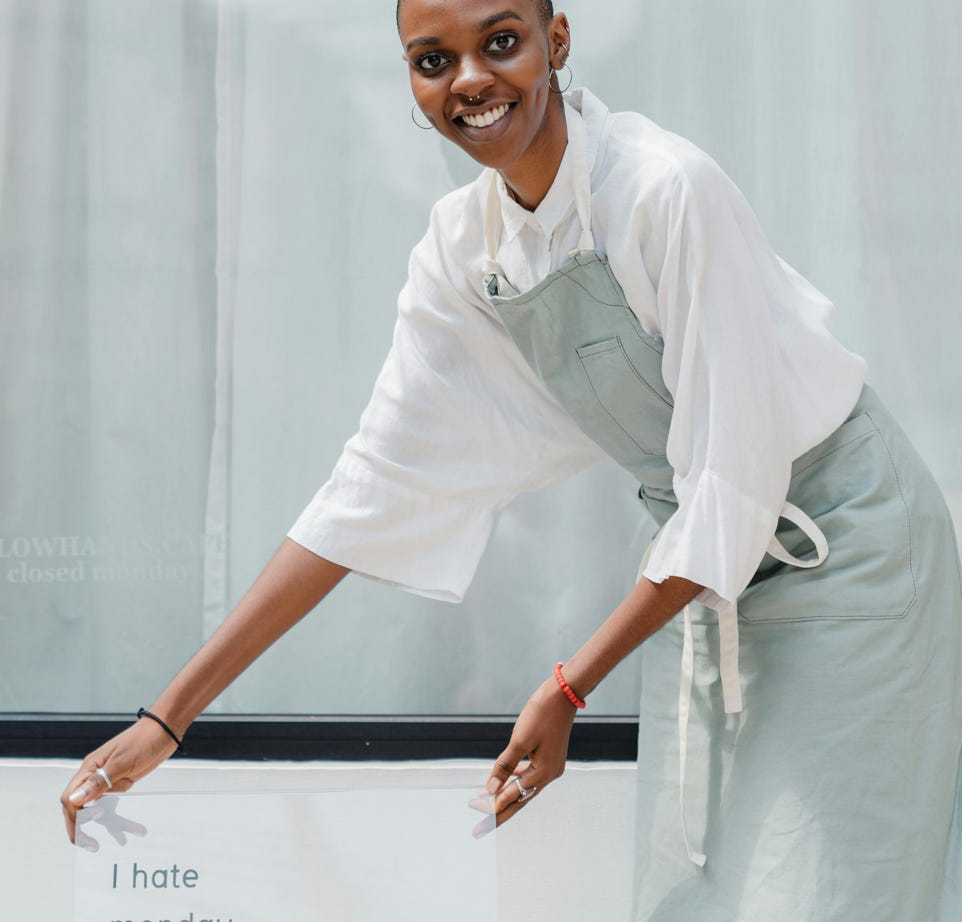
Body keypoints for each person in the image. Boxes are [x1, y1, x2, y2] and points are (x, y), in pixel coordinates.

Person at [62, 1, 962, 918]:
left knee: (820, 897)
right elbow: (368, 489)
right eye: (432, 58)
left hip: (851, 554)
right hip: (708, 583)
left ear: (556, 41)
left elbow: (732, 482)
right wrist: (168, 718)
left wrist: (569, 685)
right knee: (701, 894)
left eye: (500, 43)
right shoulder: (465, 250)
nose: (469, 81)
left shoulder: (663, 190)